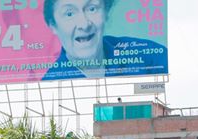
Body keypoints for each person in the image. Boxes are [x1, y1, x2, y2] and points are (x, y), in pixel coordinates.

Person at [41, 0, 169, 80]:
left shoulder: (148, 55)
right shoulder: (52, 81)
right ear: (53, 25)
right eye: (69, 14)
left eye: (92, 9)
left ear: (106, 13)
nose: (84, 24)